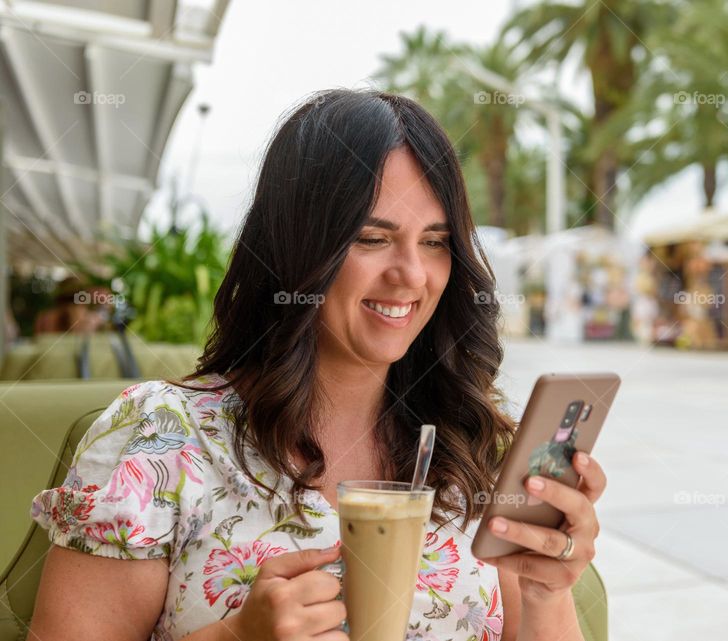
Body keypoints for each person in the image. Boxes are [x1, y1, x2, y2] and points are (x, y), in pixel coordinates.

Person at [27, 89, 608, 641]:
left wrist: (545, 593)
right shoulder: (161, 440)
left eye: (434, 242)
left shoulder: (469, 445)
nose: (411, 274)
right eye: (371, 238)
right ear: (298, 249)